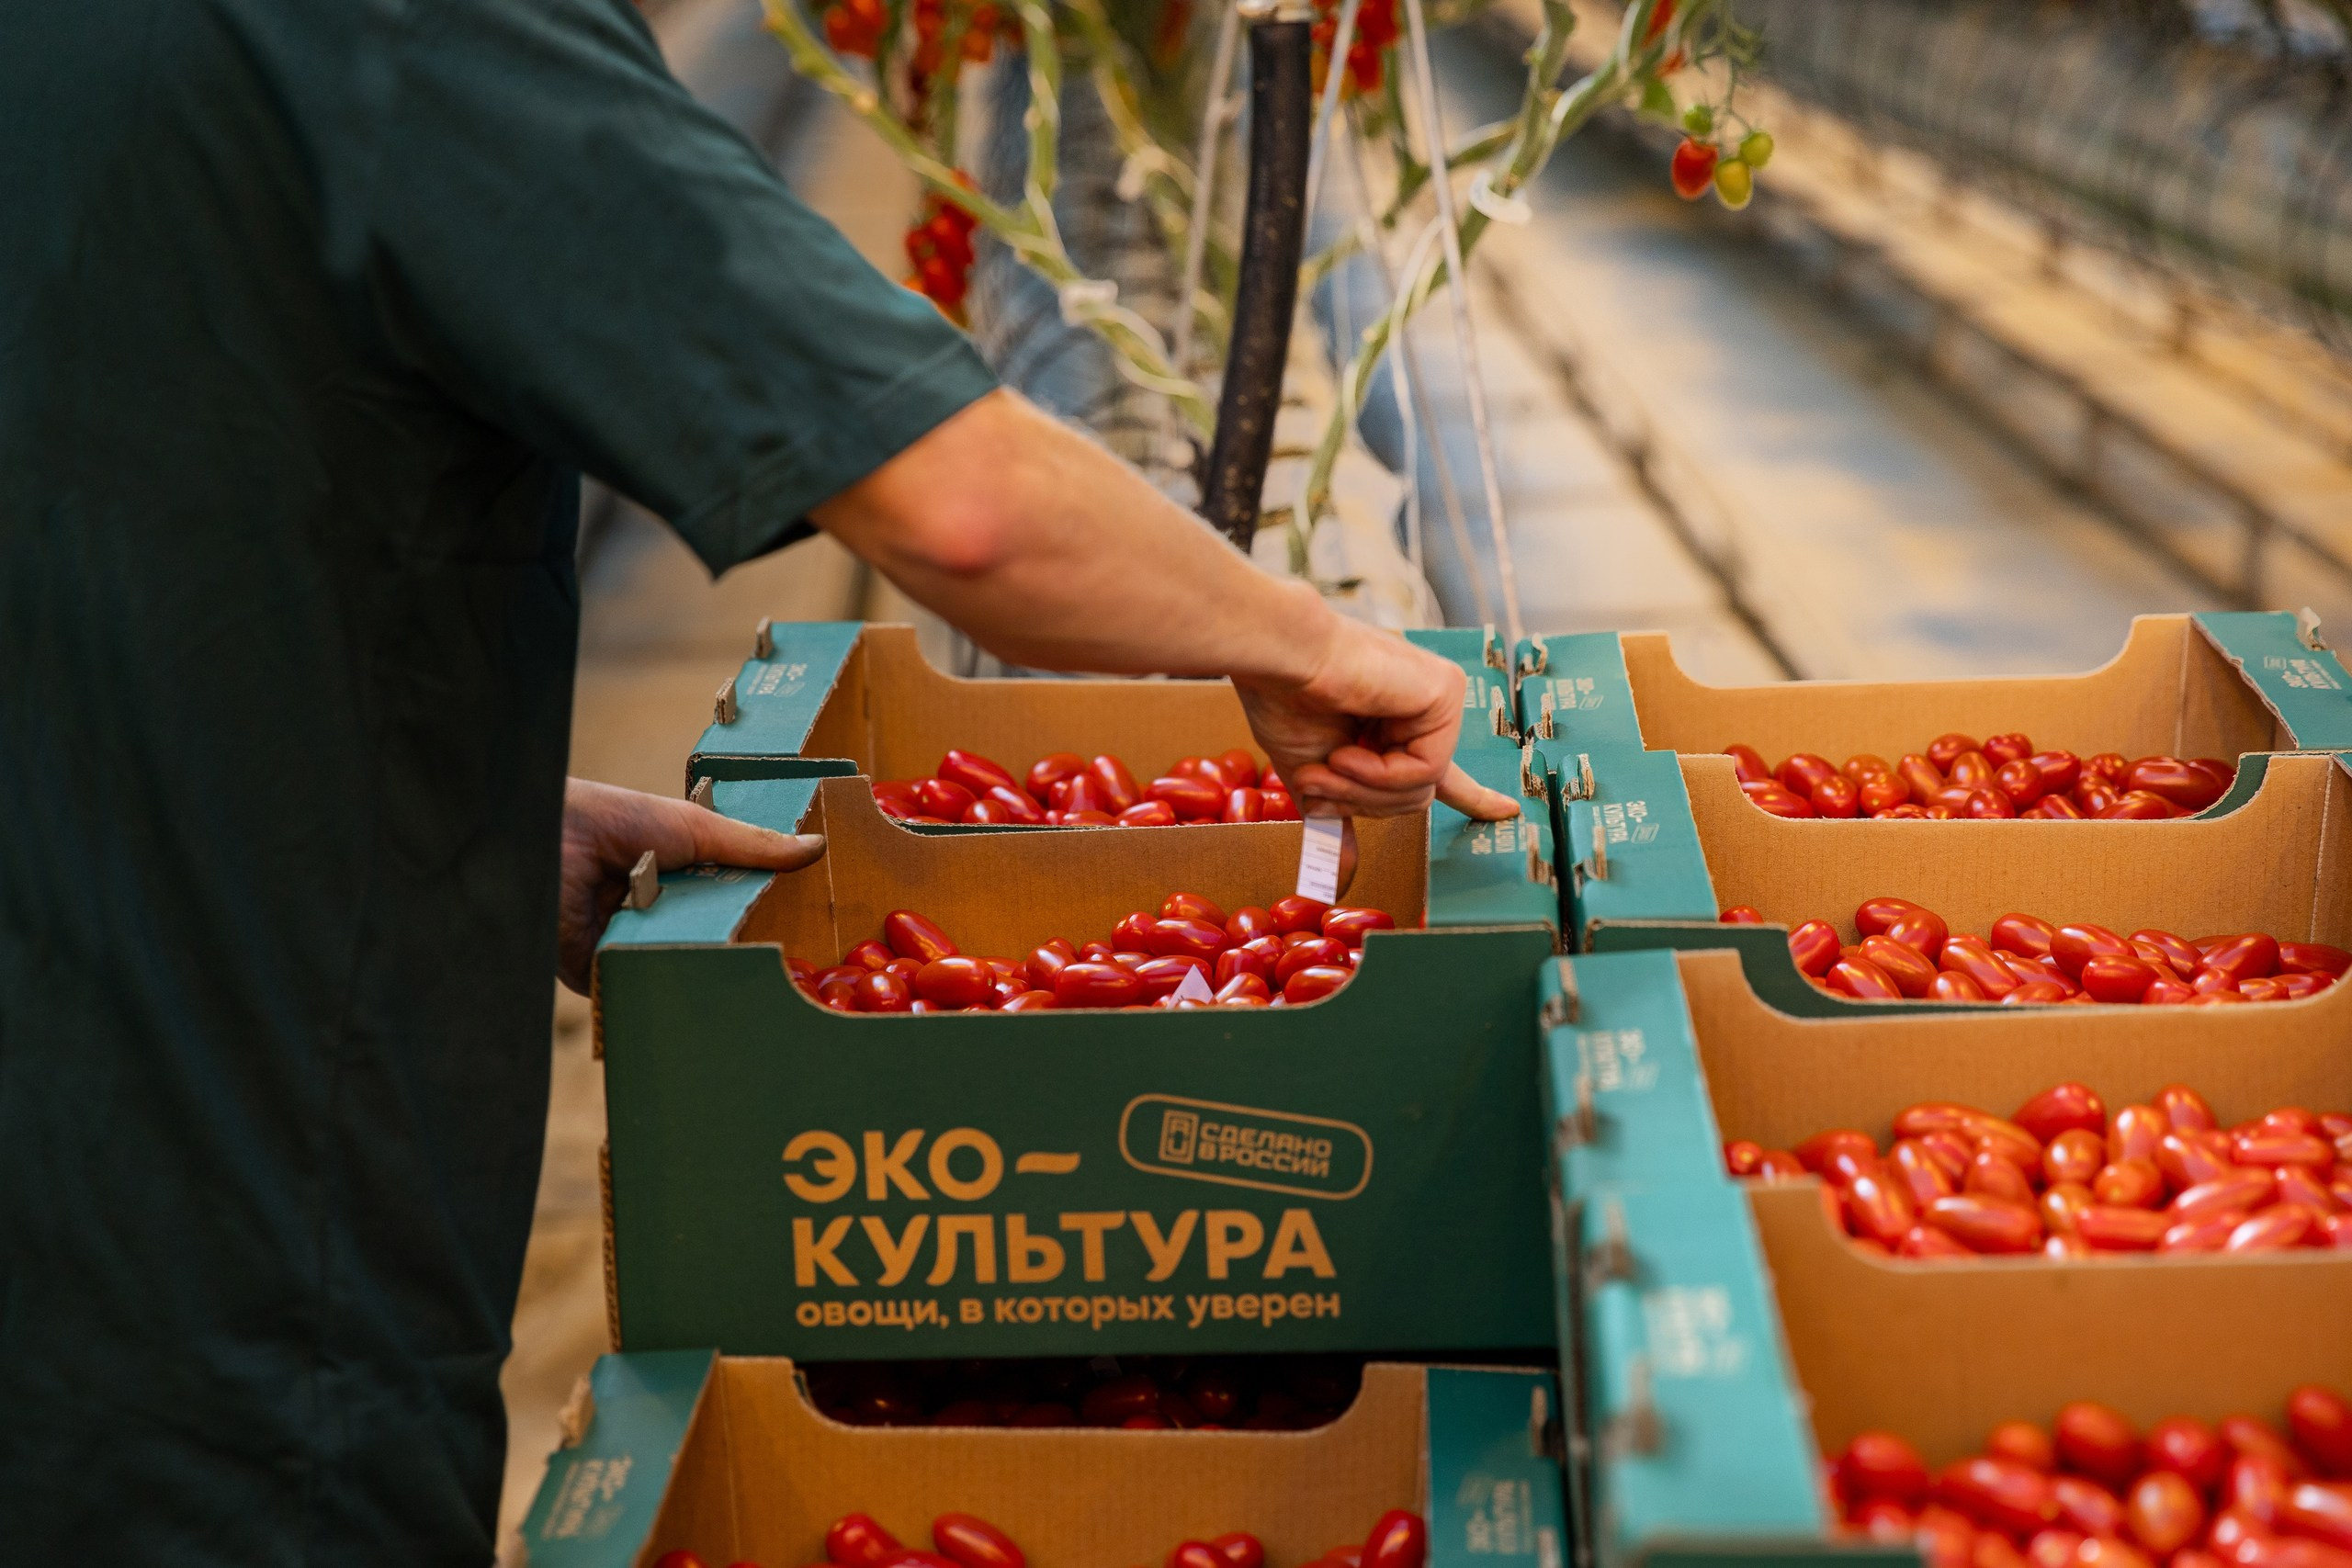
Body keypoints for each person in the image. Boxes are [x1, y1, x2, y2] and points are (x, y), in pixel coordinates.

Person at [0, 0, 1518, 1562]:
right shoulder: (409, 32)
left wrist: (470, 816)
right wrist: (1304, 645)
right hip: (200, 1297)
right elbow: (963, 501)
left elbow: (135, 526)